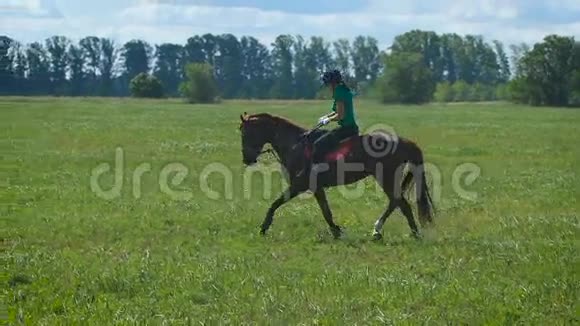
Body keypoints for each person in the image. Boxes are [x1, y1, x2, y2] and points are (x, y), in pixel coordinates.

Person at [298, 69, 359, 177]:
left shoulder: (339, 92)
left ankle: (320, 173)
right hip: (350, 128)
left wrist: (329, 120)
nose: (328, 87)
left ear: (332, 83)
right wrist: (327, 116)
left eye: (328, 84)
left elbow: (341, 115)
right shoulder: (342, 90)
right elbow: (336, 111)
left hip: (347, 129)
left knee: (318, 144)